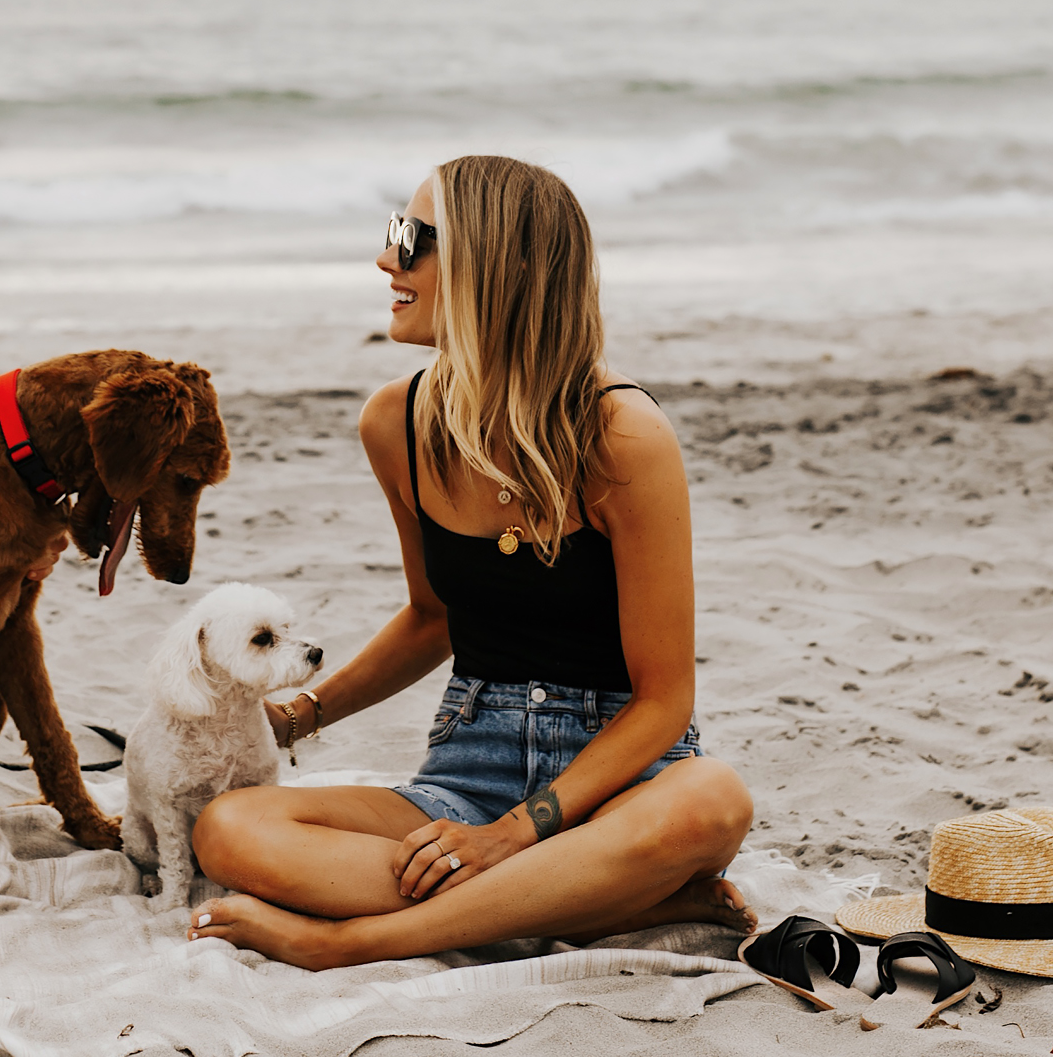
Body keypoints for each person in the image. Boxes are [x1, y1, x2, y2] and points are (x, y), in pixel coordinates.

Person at [185, 156, 757, 970]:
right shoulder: (398, 423)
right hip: (469, 764)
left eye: (413, 239)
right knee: (230, 828)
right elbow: (434, 618)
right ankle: (591, 900)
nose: (388, 261)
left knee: (712, 801)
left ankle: (356, 942)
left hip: (619, 778)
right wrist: (295, 716)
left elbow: (665, 701)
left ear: (503, 266)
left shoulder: (621, 435)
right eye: (393, 235)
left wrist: (508, 839)